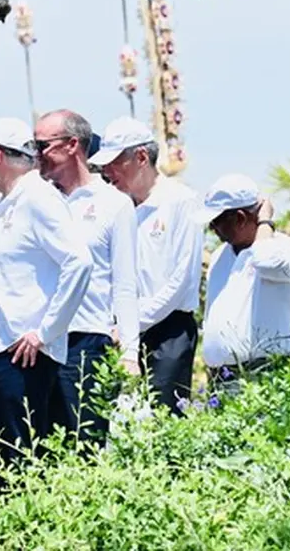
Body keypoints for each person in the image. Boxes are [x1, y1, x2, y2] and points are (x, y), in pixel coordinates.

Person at [0, 118, 92, 503]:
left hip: (20, 353)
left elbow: (79, 262)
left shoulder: (38, 198)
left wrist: (45, 331)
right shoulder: (6, 205)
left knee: (17, 465)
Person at [35, 110, 139, 444]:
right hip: (38, 342)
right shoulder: (37, 200)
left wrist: (130, 352)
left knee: (85, 444)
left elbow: (125, 284)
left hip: (86, 340)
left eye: (43, 146)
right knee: (41, 449)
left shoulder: (114, 203)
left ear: (72, 145)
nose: (37, 155)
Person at [90, 117, 203, 412]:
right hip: (119, 332)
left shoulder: (180, 200)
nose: (107, 172)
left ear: (141, 157)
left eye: (115, 162)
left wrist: (133, 322)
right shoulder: (116, 207)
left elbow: (181, 279)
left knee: (162, 416)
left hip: (168, 330)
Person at [196, 174, 290, 386]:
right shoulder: (220, 254)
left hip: (263, 373)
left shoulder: (285, 249)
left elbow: (265, 260)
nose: (212, 228)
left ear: (240, 218)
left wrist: (265, 221)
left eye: (216, 221)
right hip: (221, 378)